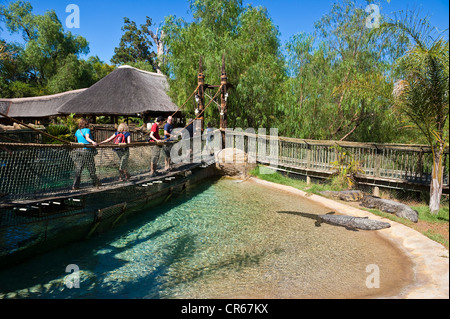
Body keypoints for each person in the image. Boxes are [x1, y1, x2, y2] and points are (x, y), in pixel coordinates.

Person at [72, 118, 101, 190]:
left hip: (79, 150)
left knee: (79, 168)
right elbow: (87, 138)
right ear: (86, 124)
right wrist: (93, 142)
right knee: (91, 168)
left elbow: (76, 140)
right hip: (87, 151)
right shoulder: (87, 130)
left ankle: (75, 185)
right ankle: (96, 182)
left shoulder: (77, 131)